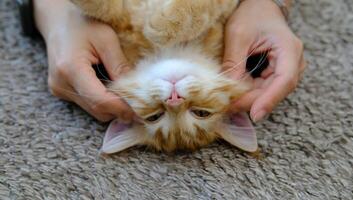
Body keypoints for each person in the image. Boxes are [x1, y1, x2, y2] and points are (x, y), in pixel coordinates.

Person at [33, 0, 305, 123]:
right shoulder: (228, 51)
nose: (174, 102)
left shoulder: (119, 53)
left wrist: (54, 11)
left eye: (154, 116)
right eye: (201, 113)